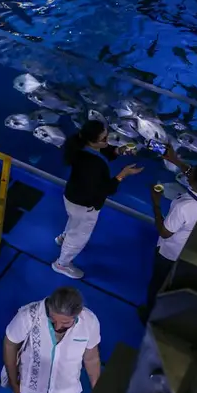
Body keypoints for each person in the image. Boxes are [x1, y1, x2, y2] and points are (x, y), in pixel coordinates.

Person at [0, 286, 101, 393]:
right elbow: (10, 343)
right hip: (29, 387)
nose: (58, 327)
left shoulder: (89, 322)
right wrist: (14, 381)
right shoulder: (28, 315)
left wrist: (98, 390)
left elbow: (91, 358)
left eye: (65, 323)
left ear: (77, 315)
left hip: (66, 391)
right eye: (53, 321)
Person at [140, 145, 197, 322]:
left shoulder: (184, 207)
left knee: (157, 284)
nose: (188, 173)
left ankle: (148, 315)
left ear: (192, 183)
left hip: (170, 253)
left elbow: (165, 233)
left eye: (190, 175)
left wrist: (155, 203)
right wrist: (176, 161)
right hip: (191, 251)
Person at [53, 119, 143, 279]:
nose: (108, 141)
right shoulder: (92, 165)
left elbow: (103, 152)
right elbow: (107, 189)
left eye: (107, 136)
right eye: (104, 139)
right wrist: (124, 174)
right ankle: (61, 264)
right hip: (85, 204)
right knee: (80, 236)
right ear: (92, 140)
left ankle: (63, 238)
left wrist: (119, 151)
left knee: (74, 220)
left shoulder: (81, 147)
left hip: (72, 196)